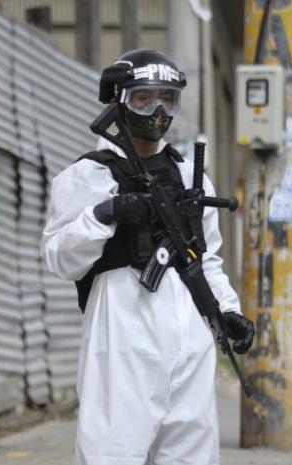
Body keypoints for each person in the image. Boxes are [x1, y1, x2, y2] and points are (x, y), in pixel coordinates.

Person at [41, 49, 256, 465]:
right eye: (144, 98)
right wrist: (106, 214)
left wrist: (228, 311)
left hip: (190, 345)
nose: (158, 109)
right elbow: (58, 257)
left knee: (191, 456)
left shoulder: (188, 173)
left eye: (167, 98)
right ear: (118, 99)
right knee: (113, 453)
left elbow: (206, 257)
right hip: (123, 340)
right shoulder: (90, 175)